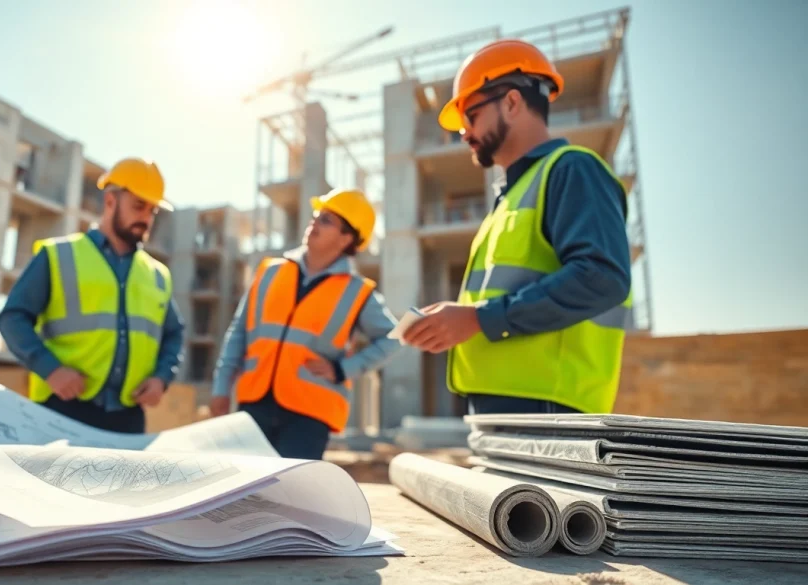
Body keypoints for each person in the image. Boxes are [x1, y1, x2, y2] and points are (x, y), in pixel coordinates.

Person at [401, 39, 633, 416]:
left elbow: (601, 277)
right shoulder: (511, 196)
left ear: (511, 102)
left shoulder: (572, 169)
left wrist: (477, 318)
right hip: (505, 403)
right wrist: (460, 318)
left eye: (470, 115)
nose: (463, 132)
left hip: (548, 406)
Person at [209, 188, 403, 459]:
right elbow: (238, 332)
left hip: (308, 418)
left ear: (347, 238)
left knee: (291, 496)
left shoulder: (357, 292)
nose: (314, 223)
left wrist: (342, 369)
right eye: (316, 216)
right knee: (245, 495)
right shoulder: (269, 271)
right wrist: (221, 388)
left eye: (326, 220)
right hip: (254, 403)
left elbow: (393, 338)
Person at [0, 157, 184, 433]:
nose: (146, 218)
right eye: (138, 206)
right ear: (110, 201)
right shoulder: (58, 255)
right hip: (61, 409)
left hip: (128, 419)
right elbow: (12, 319)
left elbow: (174, 334)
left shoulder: (158, 275)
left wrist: (161, 378)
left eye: (152, 211)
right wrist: (51, 369)